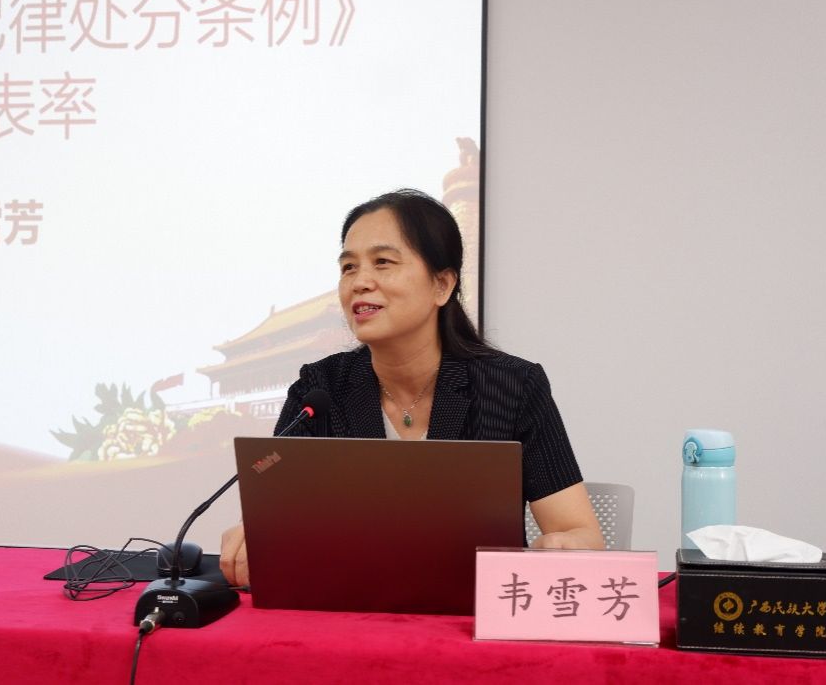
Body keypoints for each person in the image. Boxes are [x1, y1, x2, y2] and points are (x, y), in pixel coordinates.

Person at [220, 189, 603, 586]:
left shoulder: (512, 386)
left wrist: (565, 546)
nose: (359, 282)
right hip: (350, 608)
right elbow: (272, 522)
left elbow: (579, 532)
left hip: (476, 611)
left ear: (442, 285)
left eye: (383, 262)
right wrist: (253, 540)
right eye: (348, 267)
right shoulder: (319, 389)